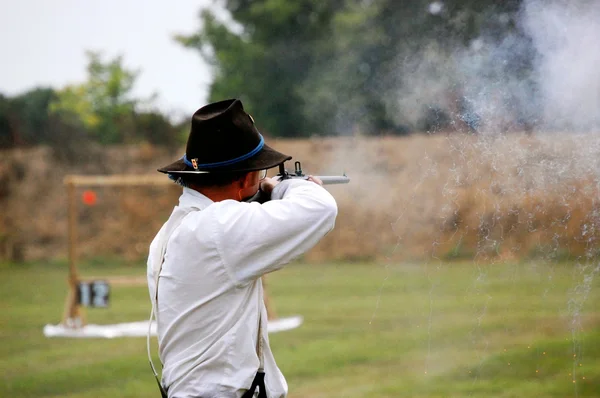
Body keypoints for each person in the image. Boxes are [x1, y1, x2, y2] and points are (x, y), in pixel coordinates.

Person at [147, 99, 338, 398]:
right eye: (259, 175)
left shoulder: (173, 231)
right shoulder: (217, 227)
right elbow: (321, 208)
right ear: (246, 177)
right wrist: (283, 187)